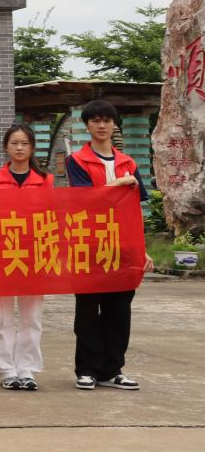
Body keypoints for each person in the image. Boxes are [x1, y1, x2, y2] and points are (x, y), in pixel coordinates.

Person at [66, 100, 153, 390]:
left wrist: (142, 249)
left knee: (119, 311)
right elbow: (85, 200)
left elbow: (134, 210)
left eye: (107, 120)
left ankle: (113, 369)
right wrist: (119, 184)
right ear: (87, 125)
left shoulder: (128, 163)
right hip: (89, 246)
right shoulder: (77, 161)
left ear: (115, 124)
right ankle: (86, 369)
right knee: (88, 310)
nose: (101, 125)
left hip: (123, 248)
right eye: (95, 121)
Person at [0, 122, 54, 391]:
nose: (20, 148)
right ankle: (6, 370)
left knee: (31, 316)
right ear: (6, 147)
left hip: (34, 255)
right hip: (2, 254)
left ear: (32, 147)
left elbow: (52, 216)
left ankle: (27, 369)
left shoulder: (46, 180)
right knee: (1, 315)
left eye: (25, 143)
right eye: (14, 143)